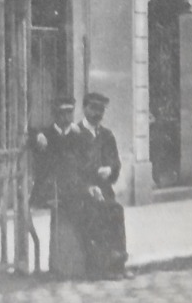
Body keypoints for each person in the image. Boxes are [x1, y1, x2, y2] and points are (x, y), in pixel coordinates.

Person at [29, 95, 85, 278]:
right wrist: (37, 135)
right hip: (51, 186)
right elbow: (29, 134)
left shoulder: (77, 135)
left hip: (72, 186)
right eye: (62, 113)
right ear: (55, 114)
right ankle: (57, 265)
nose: (66, 117)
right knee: (57, 222)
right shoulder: (47, 134)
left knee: (73, 223)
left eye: (69, 112)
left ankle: (71, 265)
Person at [73, 91, 128, 279]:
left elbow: (116, 163)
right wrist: (87, 188)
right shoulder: (76, 134)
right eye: (94, 108)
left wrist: (110, 170)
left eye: (101, 110)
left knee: (115, 211)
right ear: (85, 108)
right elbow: (71, 170)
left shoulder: (106, 135)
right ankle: (101, 267)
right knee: (97, 214)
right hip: (82, 192)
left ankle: (118, 265)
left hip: (104, 190)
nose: (98, 114)